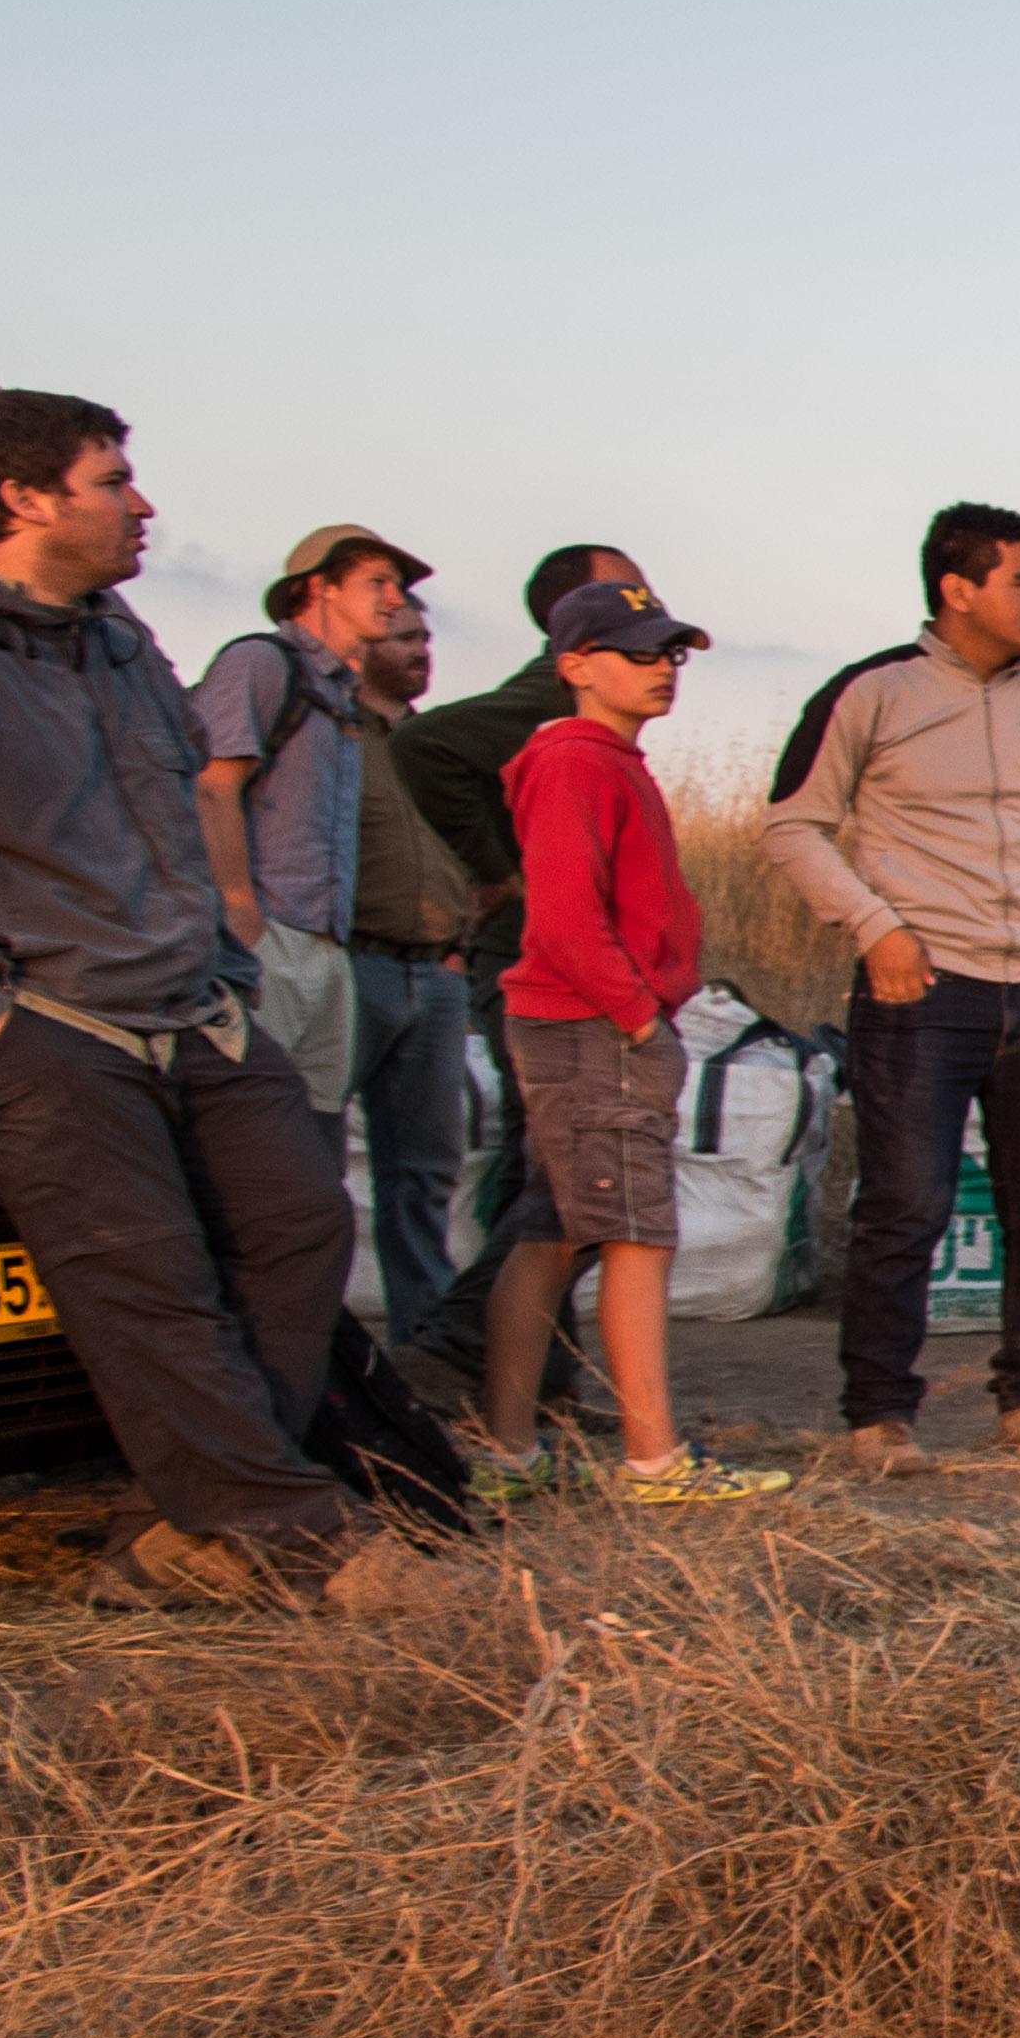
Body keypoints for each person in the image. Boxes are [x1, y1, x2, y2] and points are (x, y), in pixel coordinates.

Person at [0, 391, 439, 1612]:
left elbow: (178, 814)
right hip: (31, 1014)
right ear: (27, 500)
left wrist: (223, 969)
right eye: (112, 480)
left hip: (184, 1004)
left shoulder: (121, 640)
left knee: (298, 1227)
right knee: (147, 1270)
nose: (143, 505)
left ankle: (170, 1537)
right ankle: (296, 1537)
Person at [763, 503, 1020, 1477]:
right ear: (956, 589)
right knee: (905, 1207)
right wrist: (874, 925)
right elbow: (793, 826)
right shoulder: (873, 694)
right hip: (922, 992)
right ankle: (879, 1416)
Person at [478, 579, 789, 1506]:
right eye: (637, 652)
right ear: (574, 664)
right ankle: (654, 1460)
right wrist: (640, 1017)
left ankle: (507, 1452)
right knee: (635, 1234)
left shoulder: (605, 759)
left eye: (670, 654)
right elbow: (569, 917)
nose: (662, 670)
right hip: (591, 1027)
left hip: (578, 1023)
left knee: (553, 1231)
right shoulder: (575, 761)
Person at [382, 540, 640, 1418]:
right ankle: (457, 1344)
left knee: (543, 1167)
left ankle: (535, 1384)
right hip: (542, 964)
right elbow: (426, 745)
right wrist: (502, 868)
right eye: (626, 587)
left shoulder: (583, 705)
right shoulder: (551, 696)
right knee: (570, 1179)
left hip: (540, 960)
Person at [190, 524, 422, 1151]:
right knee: (246, 1133)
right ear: (318, 587)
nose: (394, 598)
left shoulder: (343, 700)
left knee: (316, 1139)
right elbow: (213, 786)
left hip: (327, 947)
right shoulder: (260, 663)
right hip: (268, 936)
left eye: (396, 586)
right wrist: (238, 910)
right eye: (377, 581)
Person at [332, 607, 486, 1326]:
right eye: (402, 637)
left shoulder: (436, 742)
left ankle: (422, 1340)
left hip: (436, 973)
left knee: (423, 1172)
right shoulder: (331, 731)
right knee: (314, 1159)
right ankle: (318, 1343)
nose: (421, 651)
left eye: (426, 637)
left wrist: (460, 941)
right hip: (353, 963)